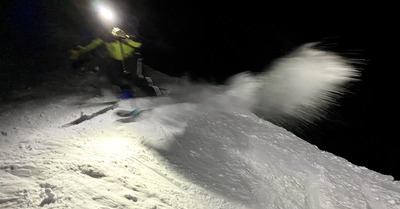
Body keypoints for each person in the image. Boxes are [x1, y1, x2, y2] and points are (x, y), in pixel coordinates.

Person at [70, 27, 161, 97]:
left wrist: (125, 38)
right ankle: (127, 91)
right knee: (113, 76)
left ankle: (153, 92)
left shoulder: (120, 32)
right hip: (117, 59)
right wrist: (82, 51)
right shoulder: (104, 37)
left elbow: (138, 44)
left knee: (136, 78)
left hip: (130, 57)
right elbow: (93, 45)